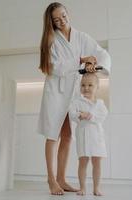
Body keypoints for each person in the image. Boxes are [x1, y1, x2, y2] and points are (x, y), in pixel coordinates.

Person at [37, 2, 111, 195]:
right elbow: (54, 67)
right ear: (51, 22)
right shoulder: (51, 38)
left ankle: (61, 178)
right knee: (53, 135)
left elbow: (100, 53)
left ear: (68, 13)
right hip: (56, 91)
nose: (62, 21)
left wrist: (96, 64)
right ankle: (51, 180)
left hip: (72, 93)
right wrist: (80, 60)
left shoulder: (81, 37)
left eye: (64, 16)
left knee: (68, 136)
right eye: (56, 19)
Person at [69, 73, 108, 196]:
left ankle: (96, 188)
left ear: (97, 87)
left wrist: (88, 115)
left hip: (96, 136)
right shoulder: (76, 101)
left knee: (97, 162)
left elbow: (102, 116)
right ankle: (82, 188)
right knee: (83, 161)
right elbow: (72, 115)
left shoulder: (100, 104)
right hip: (83, 135)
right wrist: (79, 115)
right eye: (83, 85)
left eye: (90, 85)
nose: (86, 88)